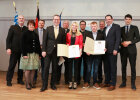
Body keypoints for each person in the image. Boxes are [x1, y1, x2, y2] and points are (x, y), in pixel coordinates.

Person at [40, 15, 66, 92]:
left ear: (59, 20)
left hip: (57, 53)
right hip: (47, 52)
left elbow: (63, 42)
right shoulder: (48, 28)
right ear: (53, 20)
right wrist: (43, 50)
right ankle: (44, 85)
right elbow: (44, 40)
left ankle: (52, 84)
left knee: (55, 69)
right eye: (55, 19)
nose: (56, 21)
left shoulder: (62, 30)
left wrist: (62, 52)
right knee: (46, 68)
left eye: (57, 19)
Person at [119, 14, 140, 91]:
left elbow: (138, 38)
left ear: (131, 20)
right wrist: (122, 43)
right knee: (123, 67)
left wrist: (130, 42)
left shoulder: (135, 28)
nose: (127, 20)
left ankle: (133, 84)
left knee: (132, 67)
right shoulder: (121, 29)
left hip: (132, 51)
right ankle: (123, 82)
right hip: (123, 51)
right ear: (124, 20)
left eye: (129, 19)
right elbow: (119, 39)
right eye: (126, 19)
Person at [6, 15, 27, 86]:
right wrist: (8, 48)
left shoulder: (26, 29)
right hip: (14, 51)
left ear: (24, 20)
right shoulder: (13, 27)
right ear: (17, 20)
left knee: (21, 67)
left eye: (22, 19)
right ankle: (9, 80)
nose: (21, 20)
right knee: (12, 66)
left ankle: (20, 79)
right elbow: (8, 39)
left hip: (22, 51)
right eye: (20, 18)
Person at [19, 20, 41, 90]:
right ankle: (27, 84)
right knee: (27, 70)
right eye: (30, 25)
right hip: (27, 54)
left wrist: (39, 54)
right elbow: (22, 45)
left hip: (35, 54)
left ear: (34, 26)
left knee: (33, 69)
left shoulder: (35, 34)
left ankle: (31, 83)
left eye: (33, 25)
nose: (31, 26)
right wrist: (24, 54)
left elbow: (38, 45)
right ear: (28, 25)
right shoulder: (24, 33)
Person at [102, 14, 121, 91]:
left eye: (109, 19)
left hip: (113, 51)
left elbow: (118, 39)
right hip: (105, 51)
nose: (108, 20)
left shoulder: (116, 27)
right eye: (106, 19)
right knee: (106, 68)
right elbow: (105, 40)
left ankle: (113, 84)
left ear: (112, 19)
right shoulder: (105, 28)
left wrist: (116, 49)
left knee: (113, 68)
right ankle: (107, 82)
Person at [83, 22, 104, 89]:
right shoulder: (87, 34)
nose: (93, 27)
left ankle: (95, 83)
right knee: (88, 69)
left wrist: (104, 48)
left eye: (95, 26)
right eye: (92, 26)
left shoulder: (101, 34)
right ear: (90, 27)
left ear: (97, 27)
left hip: (98, 55)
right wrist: (86, 51)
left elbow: (104, 43)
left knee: (96, 69)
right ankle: (87, 82)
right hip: (89, 55)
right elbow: (84, 44)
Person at [66, 22, 83, 89]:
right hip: (70, 52)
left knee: (76, 68)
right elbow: (67, 42)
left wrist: (80, 51)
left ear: (77, 27)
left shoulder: (80, 34)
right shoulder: (68, 34)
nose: (74, 26)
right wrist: (67, 44)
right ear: (71, 26)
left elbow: (81, 44)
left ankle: (75, 82)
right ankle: (70, 82)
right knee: (69, 68)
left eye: (75, 26)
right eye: (73, 25)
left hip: (76, 53)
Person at [56, 20, 70, 85]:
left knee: (67, 67)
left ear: (68, 25)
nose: (66, 24)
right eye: (64, 23)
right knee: (59, 66)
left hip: (67, 52)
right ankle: (57, 80)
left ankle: (67, 81)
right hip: (60, 51)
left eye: (67, 23)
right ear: (62, 24)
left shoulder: (70, 31)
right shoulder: (60, 30)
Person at [34, 19, 46, 84]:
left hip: (44, 50)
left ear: (44, 24)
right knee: (36, 66)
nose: (41, 24)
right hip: (36, 50)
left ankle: (43, 80)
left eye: (42, 23)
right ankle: (34, 79)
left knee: (43, 66)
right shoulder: (34, 31)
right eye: (40, 23)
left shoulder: (46, 31)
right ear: (38, 24)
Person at [78, 20, 90, 85]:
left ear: (85, 25)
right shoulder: (77, 32)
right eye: (81, 24)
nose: (82, 25)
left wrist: (85, 44)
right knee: (78, 66)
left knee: (86, 66)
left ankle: (86, 80)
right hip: (78, 52)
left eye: (83, 24)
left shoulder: (88, 32)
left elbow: (91, 41)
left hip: (86, 52)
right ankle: (78, 80)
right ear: (80, 25)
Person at [97, 20, 105, 84]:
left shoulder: (107, 30)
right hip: (99, 52)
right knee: (99, 66)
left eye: (102, 24)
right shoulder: (97, 31)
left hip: (105, 51)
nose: (101, 25)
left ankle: (107, 79)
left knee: (106, 66)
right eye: (100, 24)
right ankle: (100, 79)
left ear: (104, 25)